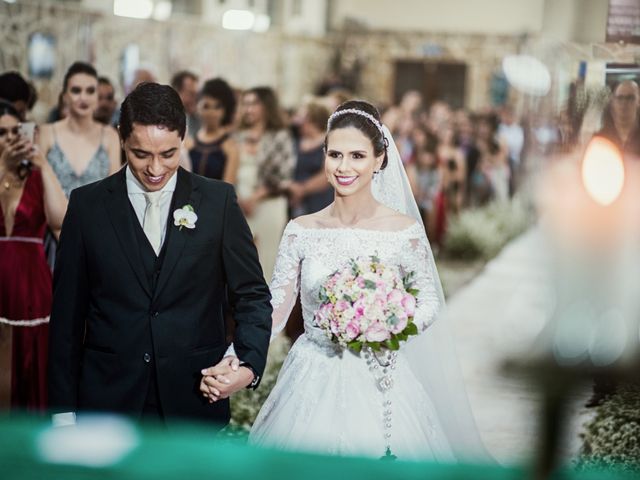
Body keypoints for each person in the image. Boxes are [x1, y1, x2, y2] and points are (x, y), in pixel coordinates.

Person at [204, 101, 488, 462]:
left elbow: (429, 302)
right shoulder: (301, 231)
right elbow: (274, 309)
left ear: (379, 159)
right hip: (312, 374)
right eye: (335, 154)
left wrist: (384, 322)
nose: (344, 167)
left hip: (380, 377)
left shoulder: (403, 232)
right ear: (324, 155)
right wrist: (234, 358)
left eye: (357, 155)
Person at [47, 83, 272, 427]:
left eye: (168, 154)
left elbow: (253, 297)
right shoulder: (86, 206)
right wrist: (63, 413)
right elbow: (66, 319)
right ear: (121, 137)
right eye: (141, 154)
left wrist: (246, 364)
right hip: (107, 401)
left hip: (194, 400)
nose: (155, 169)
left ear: (184, 137)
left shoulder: (218, 202)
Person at [0, 101, 67, 411]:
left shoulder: (38, 176)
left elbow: (60, 223)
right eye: (2, 133)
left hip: (31, 283)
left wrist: (43, 163)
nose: (10, 138)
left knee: (32, 368)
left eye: (16, 131)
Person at [235, 87, 295, 281]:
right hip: (238, 204)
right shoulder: (236, 135)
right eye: (246, 103)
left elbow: (283, 176)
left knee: (266, 261)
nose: (249, 109)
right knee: (239, 260)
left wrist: (255, 198)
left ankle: (265, 308)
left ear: (267, 107)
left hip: (268, 202)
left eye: (254, 103)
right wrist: (238, 198)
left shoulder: (279, 135)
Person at [39, 62, 120, 197]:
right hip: (52, 217)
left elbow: (114, 192)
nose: (83, 97)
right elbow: (35, 188)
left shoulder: (110, 136)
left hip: (98, 217)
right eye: (76, 90)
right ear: (65, 96)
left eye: (90, 91)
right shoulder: (46, 133)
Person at [287, 100, 333, 218]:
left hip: (319, 200)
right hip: (293, 201)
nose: (298, 120)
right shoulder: (294, 141)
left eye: (302, 116)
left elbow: (326, 175)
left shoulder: (329, 142)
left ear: (313, 119)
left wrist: (302, 190)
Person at [188, 78, 239, 183]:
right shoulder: (188, 144)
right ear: (197, 107)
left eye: (217, 107)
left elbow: (226, 190)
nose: (211, 112)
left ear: (226, 110)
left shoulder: (230, 148)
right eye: (206, 106)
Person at [594, 80, 640, 161]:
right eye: (620, 98)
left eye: (630, 98)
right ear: (613, 102)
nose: (624, 103)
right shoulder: (601, 138)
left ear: (638, 101)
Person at [171, 70, 200, 135]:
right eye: (191, 94)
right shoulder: (164, 122)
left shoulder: (200, 121)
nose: (196, 99)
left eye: (197, 94)